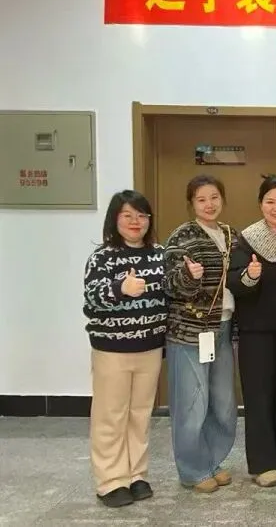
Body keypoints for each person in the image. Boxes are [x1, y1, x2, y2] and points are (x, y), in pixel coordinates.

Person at [83, 191, 167, 508]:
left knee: (140, 414)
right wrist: (121, 288)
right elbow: (92, 297)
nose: (135, 222)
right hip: (112, 349)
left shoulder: (160, 254)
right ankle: (111, 481)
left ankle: (136, 475)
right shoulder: (102, 257)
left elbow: (171, 293)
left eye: (142, 216)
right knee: (111, 415)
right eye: (128, 215)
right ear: (114, 219)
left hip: (150, 346)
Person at [227, 175, 276, 488]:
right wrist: (250, 275)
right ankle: (263, 463)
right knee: (260, 397)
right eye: (270, 201)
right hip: (257, 332)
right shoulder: (247, 239)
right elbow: (234, 283)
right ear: (261, 204)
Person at [163, 175, 238, 494]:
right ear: (192, 203)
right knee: (192, 403)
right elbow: (168, 284)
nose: (209, 204)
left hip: (223, 328)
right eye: (201, 199)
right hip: (189, 331)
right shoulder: (182, 236)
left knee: (222, 402)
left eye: (214, 197)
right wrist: (187, 275)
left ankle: (211, 460)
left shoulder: (230, 235)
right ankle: (193, 470)